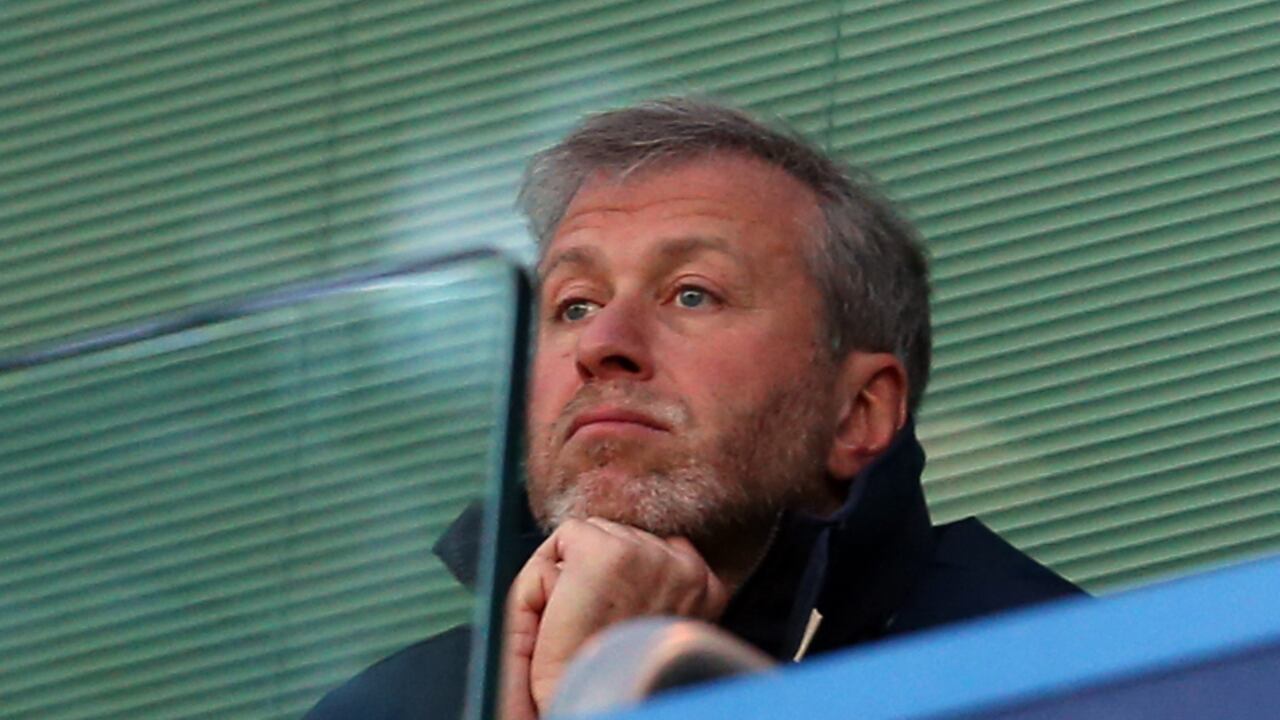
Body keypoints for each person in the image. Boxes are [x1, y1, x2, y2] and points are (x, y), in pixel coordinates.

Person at [305, 97, 1083, 720]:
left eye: (692, 293)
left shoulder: (1059, 676)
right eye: (574, 305)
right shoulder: (387, 708)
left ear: (857, 414)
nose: (602, 344)